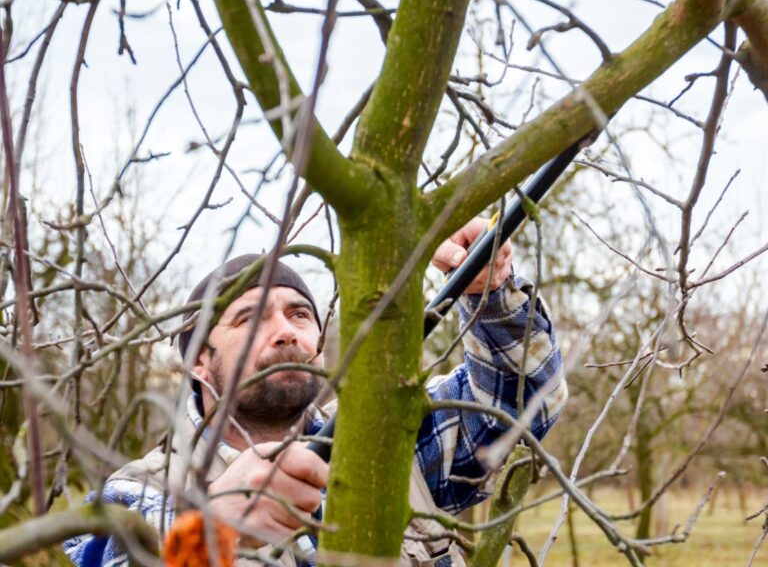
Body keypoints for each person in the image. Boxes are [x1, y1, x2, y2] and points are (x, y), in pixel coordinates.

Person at [63, 218, 567, 566]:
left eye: (299, 314)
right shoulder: (137, 493)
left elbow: (518, 400)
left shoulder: (390, 441)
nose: (285, 332)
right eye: (250, 318)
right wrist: (208, 528)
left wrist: (488, 290)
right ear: (198, 361)